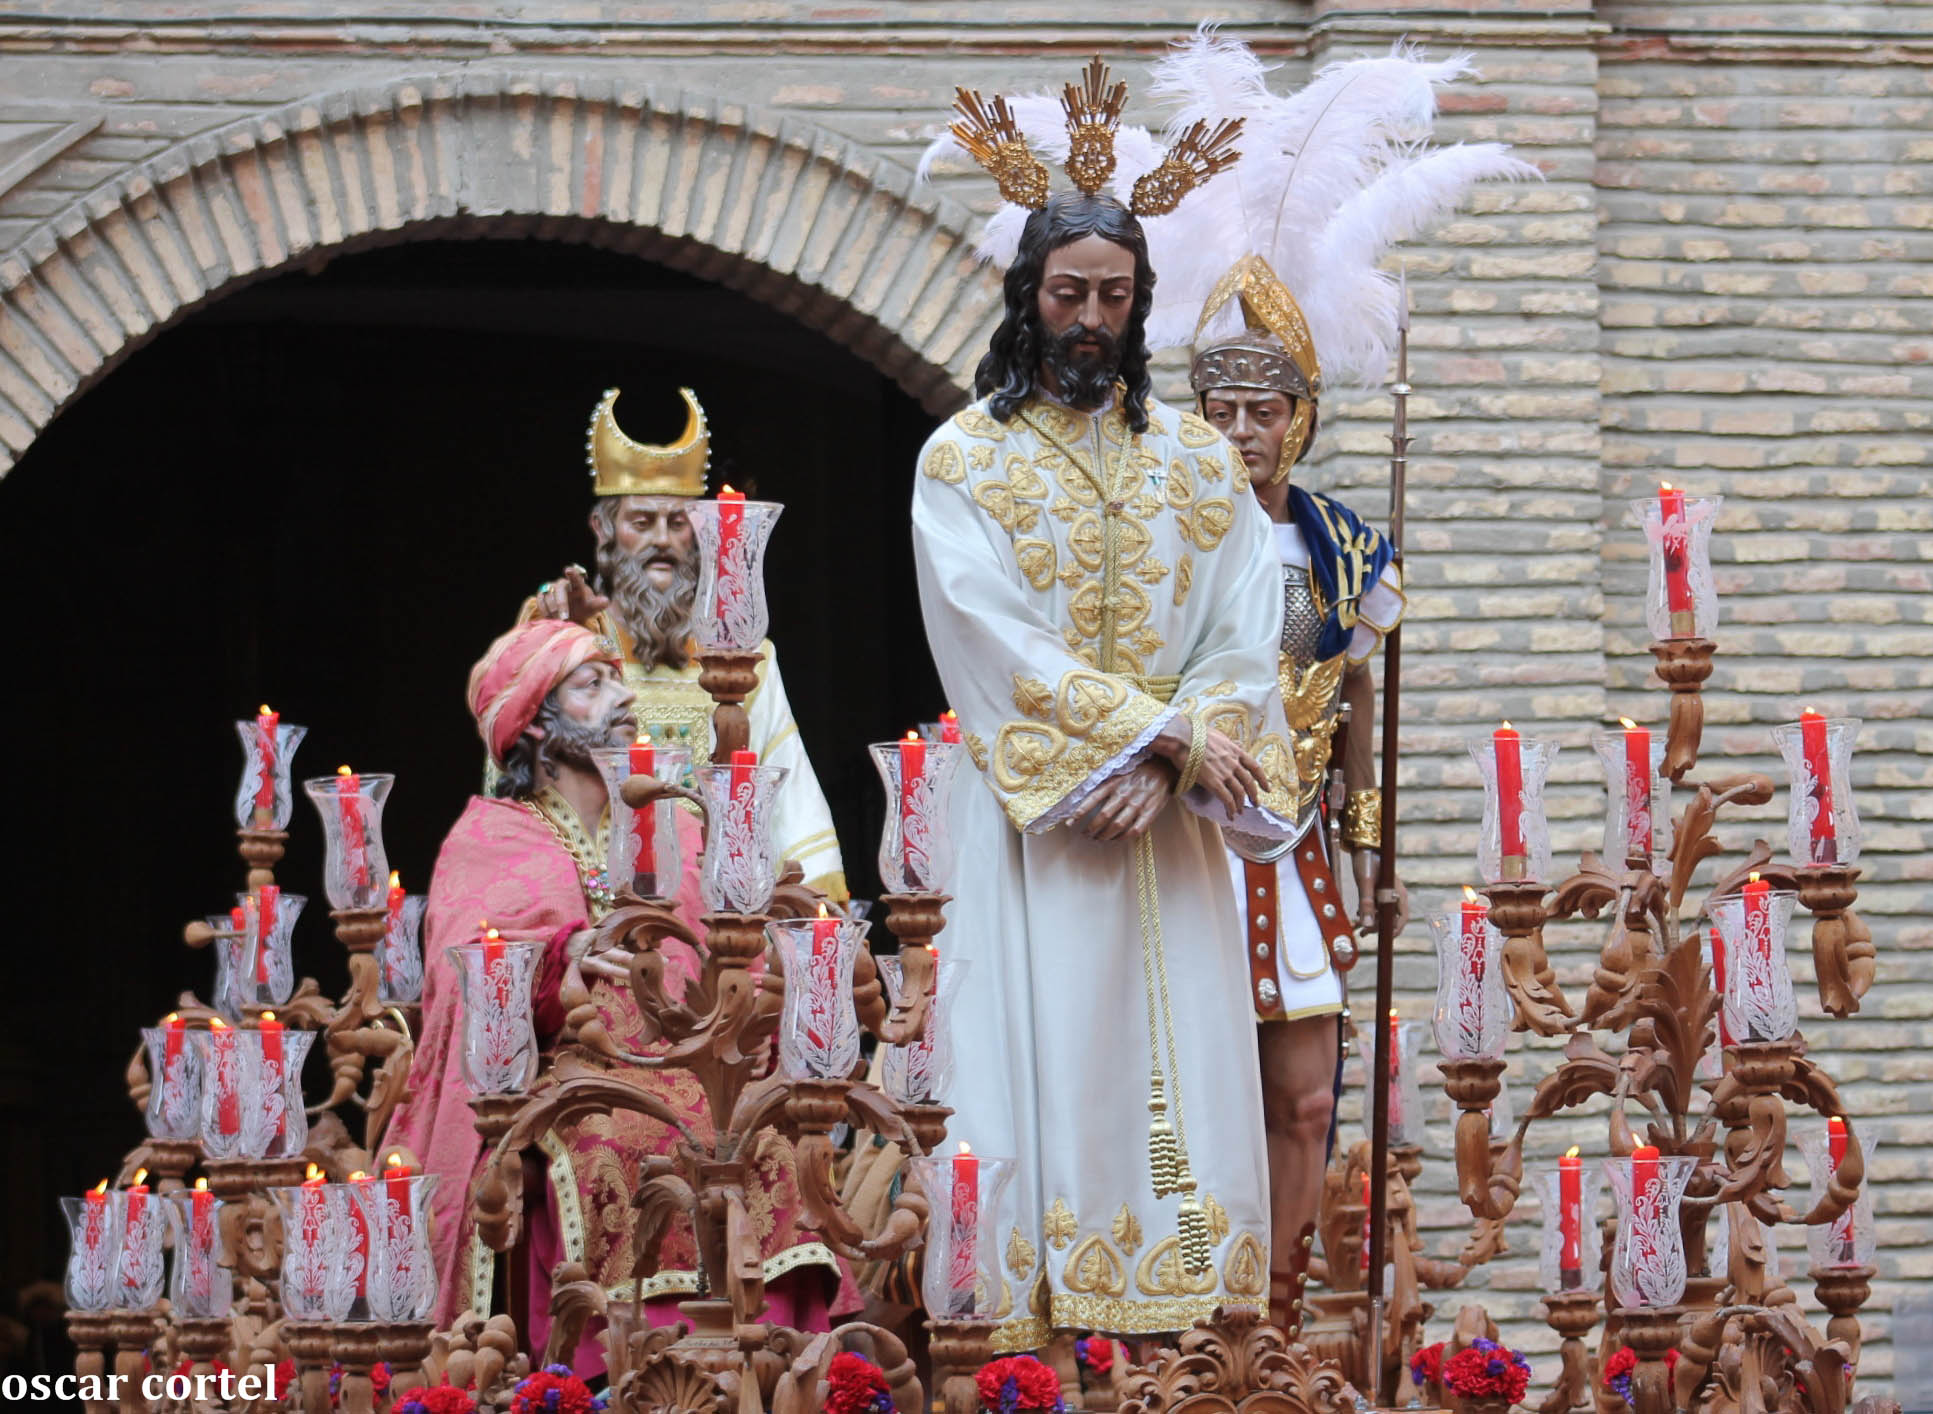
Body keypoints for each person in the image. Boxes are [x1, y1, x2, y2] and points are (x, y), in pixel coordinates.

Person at [1140, 30, 1533, 1323]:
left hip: (1300, 841)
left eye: (1266, 409)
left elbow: (1361, 704)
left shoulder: (1345, 545)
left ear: (1299, 416)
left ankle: (1286, 1310)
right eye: (1223, 408)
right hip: (1189, 841)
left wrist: (1373, 848)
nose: (1244, 431)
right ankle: (1202, 1304)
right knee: (1191, 1088)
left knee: (1309, 1092)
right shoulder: (1152, 543)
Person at [913, 60, 1298, 1348]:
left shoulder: (1196, 458)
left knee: (1186, 1062)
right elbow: (986, 632)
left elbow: (1250, 627)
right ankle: (1037, 1342)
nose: (1088, 318)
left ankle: (1194, 1331)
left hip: (1174, 834)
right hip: (1042, 830)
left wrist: (1186, 751)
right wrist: (1149, 729)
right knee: (1050, 1069)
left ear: (1141, 309)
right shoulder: (960, 460)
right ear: (1026, 298)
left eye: (1112, 298)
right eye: (1066, 293)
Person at [386, 619, 854, 1372]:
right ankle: (610, 1366)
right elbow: (470, 969)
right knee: (608, 1141)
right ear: (534, 721)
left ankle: (769, 1357)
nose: (622, 694)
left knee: (763, 1140)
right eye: (591, 683)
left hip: (689, 1059)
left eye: (616, 676)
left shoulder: (674, 827)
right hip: (563, 1076)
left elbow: (723, 956)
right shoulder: (491, 835)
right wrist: (564, 953)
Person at [524, 387, 846, 900]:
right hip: (594, 910)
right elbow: (524, 785)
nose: (662, 541)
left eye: (678, 524)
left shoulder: (745, 657)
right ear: (603, 530)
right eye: (641, 522)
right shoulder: (572, 644)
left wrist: (818, 912)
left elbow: (788, 795)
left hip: (711, 917)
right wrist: (546, 629)